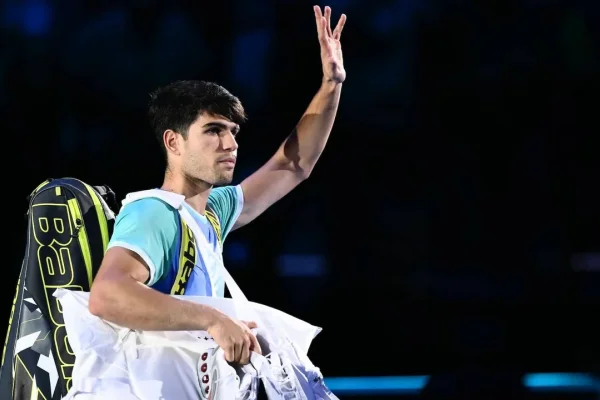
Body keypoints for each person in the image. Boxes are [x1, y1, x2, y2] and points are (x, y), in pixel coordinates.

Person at [89, 5, 346, 367]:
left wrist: (332, 84)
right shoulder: (154, 212)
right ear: (173, 142)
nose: (230, 144)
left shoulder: (212, 210)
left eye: (233, 132)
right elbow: (107, 295)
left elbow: (292, 165)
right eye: (213, 131)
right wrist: (213, 320)